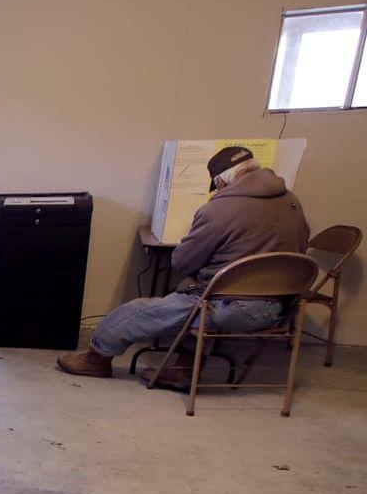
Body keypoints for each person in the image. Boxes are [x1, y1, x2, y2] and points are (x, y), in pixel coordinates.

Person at [57, 146, 310, 381]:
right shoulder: (292, 201)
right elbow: (302, 241)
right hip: (281, 308)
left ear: (221, 181)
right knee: (195, 298)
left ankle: (96, 359)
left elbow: (183, 262)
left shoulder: (218, 210)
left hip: (228, 308)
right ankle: (185, 369)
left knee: (134, 312)